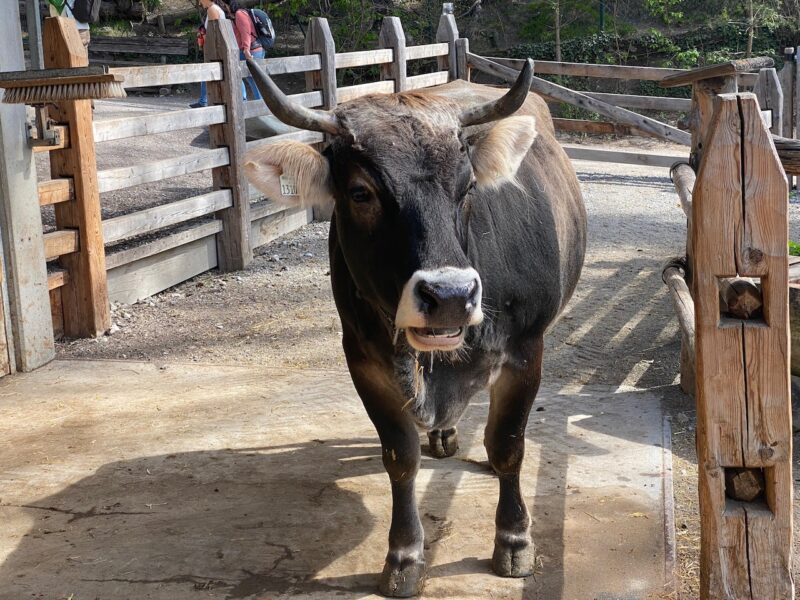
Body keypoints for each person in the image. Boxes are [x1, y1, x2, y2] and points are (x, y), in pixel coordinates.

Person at [225, 0, 265, 101]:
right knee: (239, 76)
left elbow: (245, 32)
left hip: (252, 50)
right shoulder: (236, 15)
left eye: (224, 5)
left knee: (254, 79)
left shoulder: (240, 14)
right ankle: (244, 101)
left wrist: (246, 50)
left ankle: (261, 107)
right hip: (246, 50)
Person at [190, 0, 226, 108]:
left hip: (214, 49)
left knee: (208, 73)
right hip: (216, 48)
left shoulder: (212, 9)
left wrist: (203, 35)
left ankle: (205, 102)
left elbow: (214, 32)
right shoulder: (216, 8)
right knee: (207, 73)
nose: (200, 2)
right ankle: (203, 101)